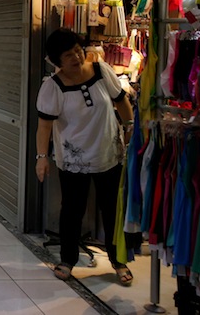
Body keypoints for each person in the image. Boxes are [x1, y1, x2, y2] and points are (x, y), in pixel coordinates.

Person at [35, 28, 135, 285]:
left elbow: (121, 101)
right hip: (73, 159)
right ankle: (68, 259)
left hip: (108, 154)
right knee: (72, 210)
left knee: (113, 210)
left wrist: (129, 127)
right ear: (58, 61)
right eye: (69, 55)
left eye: (78, 51)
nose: (77, 58)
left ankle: (118, 260)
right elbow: (44, 126)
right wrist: (42, 157)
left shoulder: (102, 72)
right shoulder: (53, 87)